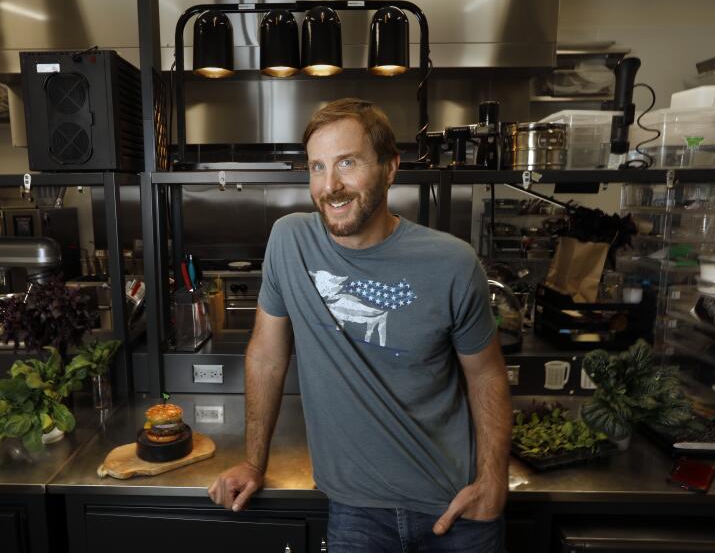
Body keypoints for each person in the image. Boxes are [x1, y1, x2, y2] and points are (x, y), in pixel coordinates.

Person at [208, 98, 511, 552]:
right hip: (356, 512)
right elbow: (267, 355)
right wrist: (253, 462)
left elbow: (486, 374)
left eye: (347, 163)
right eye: (317, 167)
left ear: (390, 168)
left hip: (456, 506)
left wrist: (493, 479)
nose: (331, 186)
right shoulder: (290, 243)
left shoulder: (451, 262)